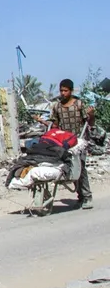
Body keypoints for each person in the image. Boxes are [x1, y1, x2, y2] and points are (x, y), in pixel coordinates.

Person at [49, 79, 95, 209]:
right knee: (72, 168)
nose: (63, 93)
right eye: (61, 90)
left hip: (80, 141)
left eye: (65, 90)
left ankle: (86, 196)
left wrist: (91, 115)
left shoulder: (79, 104)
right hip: (66, 142)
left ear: (71, 90)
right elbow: (55, 125)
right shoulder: (57, 106)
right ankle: (80, 196)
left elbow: (90, 123)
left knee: (80, 166)